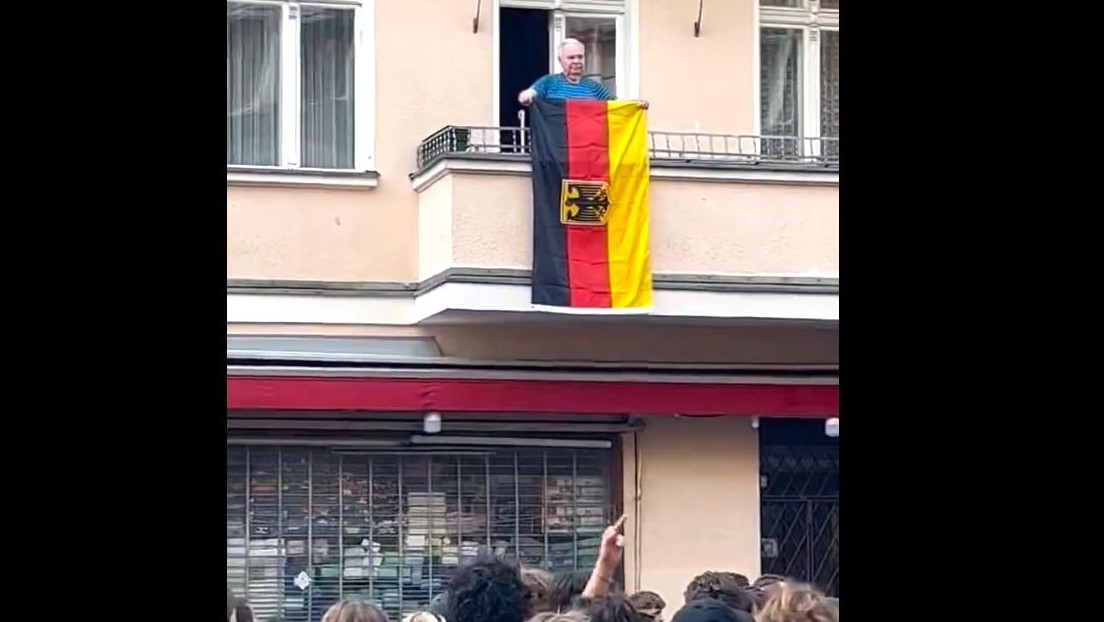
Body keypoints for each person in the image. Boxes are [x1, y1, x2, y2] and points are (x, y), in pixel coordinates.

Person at [518, 38, 647, 108]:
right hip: (559, 148)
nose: (577, 61)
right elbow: (527, 95)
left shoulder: (594, 88)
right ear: (560, 60)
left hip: (587, 149)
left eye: (580, 57)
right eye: (571, 57)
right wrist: (526, 96)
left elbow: (617, 105)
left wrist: (636, 105)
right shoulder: (549, 82)